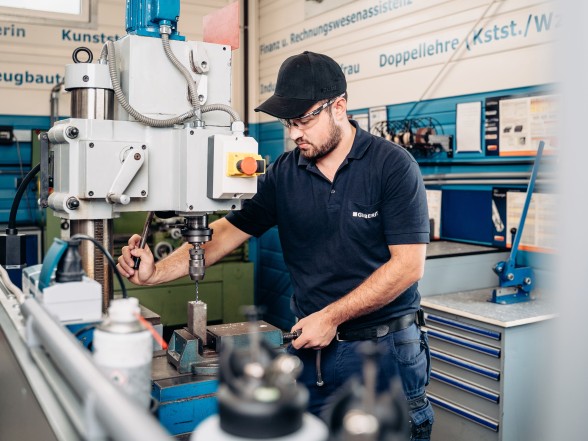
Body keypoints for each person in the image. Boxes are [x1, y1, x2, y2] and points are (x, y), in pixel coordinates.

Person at [117, 51, 434, 439]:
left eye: (304, 120)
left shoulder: (392, 166)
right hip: (312, 351)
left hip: (382, 351)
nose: (295, 133)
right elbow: (225, 234)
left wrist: (332, 316)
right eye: (289, 122)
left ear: (339, 106)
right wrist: (155, 273)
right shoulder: (285, 172)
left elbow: (407, 266)